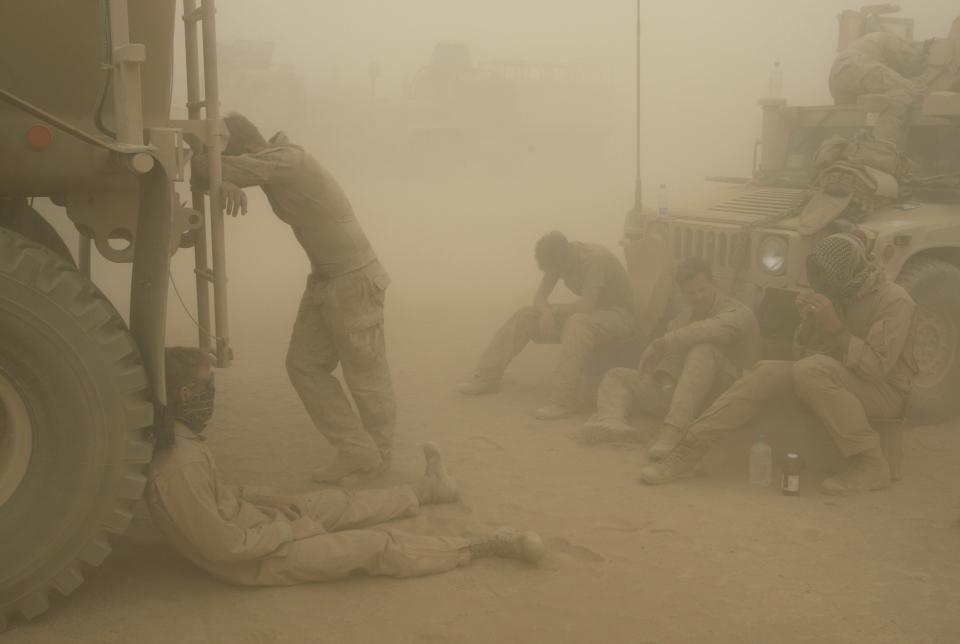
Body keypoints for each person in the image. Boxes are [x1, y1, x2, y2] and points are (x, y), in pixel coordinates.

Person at [145, 347, 545, 587]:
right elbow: (223, 547)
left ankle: (429, 491)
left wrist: (273, 500)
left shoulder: (182, 439)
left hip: (255, 527)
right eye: (206, 387)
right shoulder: (178, 464)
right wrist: (290, 531)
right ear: (184, 394)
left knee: (337, 503)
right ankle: (479, 546)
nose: (211, 396)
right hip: (258, 560)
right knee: (372, 545)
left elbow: (216, 497)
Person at [192, 113, 395, 484]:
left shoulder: (289, 160)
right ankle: (359, 452)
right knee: (303, 365)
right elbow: (208, 173)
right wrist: (228, 178)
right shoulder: (274, 163)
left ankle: (379, 454)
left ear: (246, 148)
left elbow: (204, 169)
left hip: (353, 279)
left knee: (365, 372)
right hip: (326, 280)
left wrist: (226, 174)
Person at [639, 233, 917, 495]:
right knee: (766, 371)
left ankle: (870, 462)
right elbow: (805, 354)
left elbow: (876, 369)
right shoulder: (840, 291)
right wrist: (809, 322)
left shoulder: (894, 300)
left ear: (849, 274)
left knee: (811, 370)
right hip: (833, 375)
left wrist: (835, 328)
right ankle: (690, 449)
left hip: (884, 391)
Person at [580, 257, 760, 460]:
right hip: (686, 396)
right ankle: (612, 423)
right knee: (617, 376)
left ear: (714, 285)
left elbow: (708, 330)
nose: (698, 297)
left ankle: (674, 432)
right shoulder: (682, 318)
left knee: (702, 349)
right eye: (691, 293)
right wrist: (663, 379)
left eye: (703, 290)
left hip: (727, 397)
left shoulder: (738, 312)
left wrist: (661, 342)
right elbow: (671, 359)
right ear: (683, 293)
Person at [458, 231, 635, 420]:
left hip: (618, 315)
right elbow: (540, 297)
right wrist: (544, 313)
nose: (557, 273)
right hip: (591, 316)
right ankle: (487, 377)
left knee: (577, 323)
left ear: (566, 256)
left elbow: (587, 305)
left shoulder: (595, 260)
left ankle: (562, 401)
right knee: (526, 315)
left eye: (557, 269)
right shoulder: (558, 259)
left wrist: (553, 312)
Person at [829, 30, 930, 144]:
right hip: (855, 65)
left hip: (839, 81)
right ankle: (882, 151)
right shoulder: (895, 41)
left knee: (887, 96)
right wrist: (926, 70)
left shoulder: (876, 41)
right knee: (910, 92)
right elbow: (912, 63)